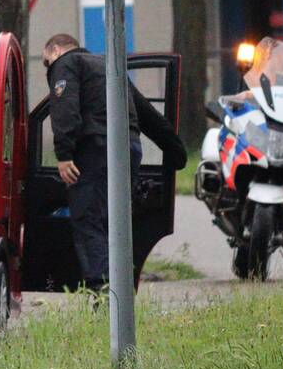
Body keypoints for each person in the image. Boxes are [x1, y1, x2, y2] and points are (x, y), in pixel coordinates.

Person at [42, 33, 187, 291]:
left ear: (55, 50)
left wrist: (64, 156)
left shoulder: (66, 64)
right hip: (128, 149)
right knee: (115, 222)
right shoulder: (108, 68)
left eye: (46, 61)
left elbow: (66, 111)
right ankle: (120, 289)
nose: (48, 67)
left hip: (95, 150)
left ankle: (103, 293)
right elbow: (146, 113)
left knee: (90, 221)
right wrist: (176, 152)